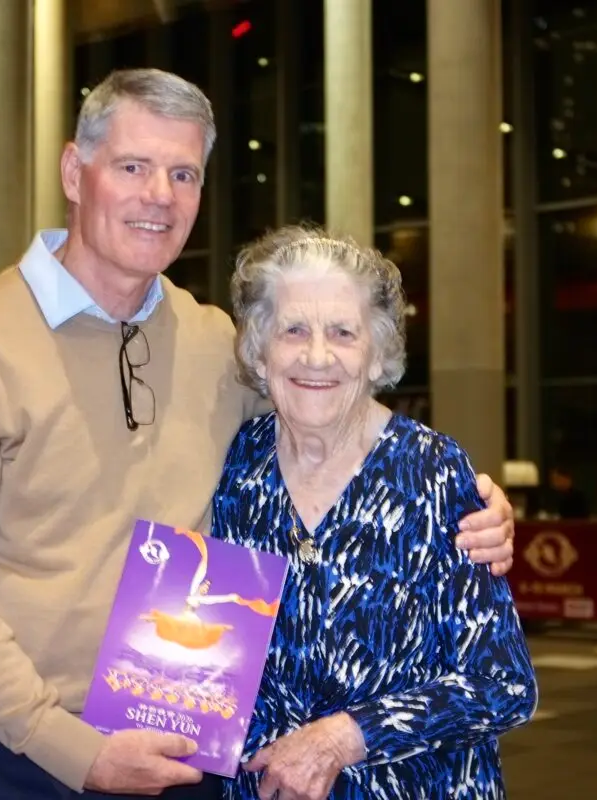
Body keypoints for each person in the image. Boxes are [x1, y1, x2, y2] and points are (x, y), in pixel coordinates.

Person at [0, 68, 517, 800]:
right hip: (18, 749)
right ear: (73, 169)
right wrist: (68, 747)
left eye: (183, 173)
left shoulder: (216, 342)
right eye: (133, 166)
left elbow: (332, 422)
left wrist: (464, 498)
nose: (160, 195)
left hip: (185, 744)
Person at [213, 226, 536, 799]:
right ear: (259, 351)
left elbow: (502, 683)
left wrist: (343, 737)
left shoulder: (432, 473)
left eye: (343, 332)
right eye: (293, 330)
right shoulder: (239, 468)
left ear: (377, 354)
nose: (317, 355)